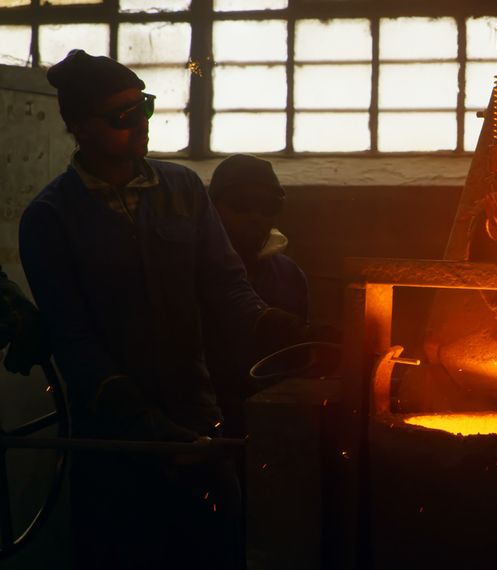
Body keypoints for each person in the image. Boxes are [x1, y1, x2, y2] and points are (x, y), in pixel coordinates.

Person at [19, 49, 309, 570]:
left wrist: (283, 329)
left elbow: (228, 289)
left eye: (144, 107)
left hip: (198, 416)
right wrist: (138, 419)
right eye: (122, 117)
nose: (141, 125)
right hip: (112, 440)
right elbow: (75, 340)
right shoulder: (51, 218)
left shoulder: (181, 189)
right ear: (80, 126)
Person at [205, 154, 309, 437]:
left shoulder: (288, 275)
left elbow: (298, 358)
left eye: (268, 208)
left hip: (272, 417)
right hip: (208, 415)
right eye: (241, 205)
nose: (256, 218)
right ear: (212, 209)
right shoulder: (193, 270)